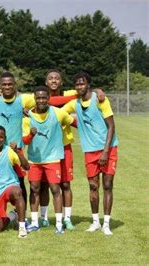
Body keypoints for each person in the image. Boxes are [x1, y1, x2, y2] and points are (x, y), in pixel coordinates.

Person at [39, 69, 106, 229]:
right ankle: (44, 218)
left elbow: (89, 90)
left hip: (64, 146)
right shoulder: (40, 96)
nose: (54, 80)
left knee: (65, 184)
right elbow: (50, 102)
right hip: (45, 147)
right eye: (50, 78)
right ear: (46, 82)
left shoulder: (71, 92)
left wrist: (97, 90)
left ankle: (67, 218)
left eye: (57, 78)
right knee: (43, 185)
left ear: (61, 82)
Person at [62, 71, 118, 236]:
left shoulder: (100, 99)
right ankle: (95, 222)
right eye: (77, 84)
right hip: (89, 151)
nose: (80, 86)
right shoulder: (75, 103)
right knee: (93, 186)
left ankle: (106, 223)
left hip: (108, 148)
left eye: (82, 83)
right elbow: (58, 111)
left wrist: (106, 152)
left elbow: (111, 126)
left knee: (107, 185)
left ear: (89, 85)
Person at [22, 86, 76, 234]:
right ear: (34, 99)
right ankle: (35, 222)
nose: (41, 100)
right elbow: (25, 141)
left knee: (55, 189)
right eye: (38, 98)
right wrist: (31, 135)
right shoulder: (27, 118)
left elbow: (74, 122)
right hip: (35, 160)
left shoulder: (58, 113)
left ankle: (59, 224)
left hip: (53, 158)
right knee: (34, 189)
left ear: (48, 99)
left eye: (44, 97)